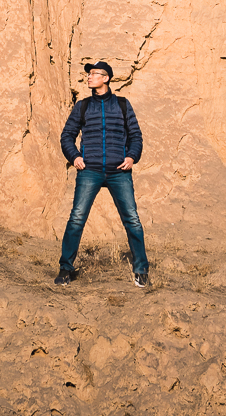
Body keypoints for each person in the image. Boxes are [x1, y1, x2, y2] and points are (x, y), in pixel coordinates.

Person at [54, 60, 149, 287]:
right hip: (90, 170)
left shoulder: (123, 105)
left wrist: (131, 157)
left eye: (94, 74)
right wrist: (75, 156)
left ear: (106, 78)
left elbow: (136, 136)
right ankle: (65, 269)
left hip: (119, 171)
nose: (89, 77)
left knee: (132, 220)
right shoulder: (83, 106)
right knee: (76, 218)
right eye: (88, 74)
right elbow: (67, 135)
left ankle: (141, 270)